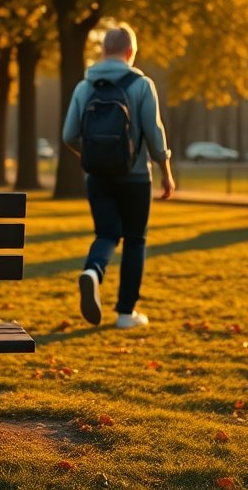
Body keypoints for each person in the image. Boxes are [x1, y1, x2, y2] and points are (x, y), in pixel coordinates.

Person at [62, 25, 174, 330]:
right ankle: (126, 314)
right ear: (130, 52)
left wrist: (91, 156)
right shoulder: (142, 85)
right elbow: (154, 132)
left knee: (107, 234)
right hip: (136, 176)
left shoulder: (84, 87)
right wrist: (166, 170)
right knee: (135, 240)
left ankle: (93, 272)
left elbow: (69, 134)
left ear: (102, 51)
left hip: (98, 177)